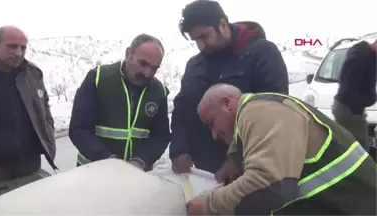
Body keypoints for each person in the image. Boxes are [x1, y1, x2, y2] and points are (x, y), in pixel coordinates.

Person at [186, 83, 377, 216]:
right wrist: (234, 161)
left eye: (211, 123)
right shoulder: (260, 113)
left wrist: (209, 205)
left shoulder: (258, 110)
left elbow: (268, 185)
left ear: (227, 103)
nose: (214, 135)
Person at [170, 0, 289, 183]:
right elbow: (181, 111)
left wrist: (236, 159)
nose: (201, 46)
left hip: (250, 171)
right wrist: (179, 150)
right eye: (196, 41)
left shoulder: (262, 54)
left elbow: (274, 114)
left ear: (223, 25)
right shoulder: (194, 66)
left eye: (204, 36)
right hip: (204, 174)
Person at [69, 34, 170, 171]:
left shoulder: (159, 92)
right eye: (143, 64)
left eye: (154, 68)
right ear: (129, 54)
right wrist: (107, 160)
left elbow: (160, 136)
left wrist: (141, 160)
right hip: (93, 173)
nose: (147, 73)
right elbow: (79, 129)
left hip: (136, 175)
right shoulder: (98, 79)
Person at [0, 26, 57, 198]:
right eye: (12, 46)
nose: (19, 53)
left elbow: (45, 111)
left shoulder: (32, 73)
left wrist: (49, 140)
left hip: (29, 164)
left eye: (23, 47)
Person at [332, 39, 377, 153]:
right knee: (360, 151)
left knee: (345, 147)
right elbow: (348, 88)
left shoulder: (365, 55)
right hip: (349, 110)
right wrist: (366, 101)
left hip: (346, 107)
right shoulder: (360, 58)